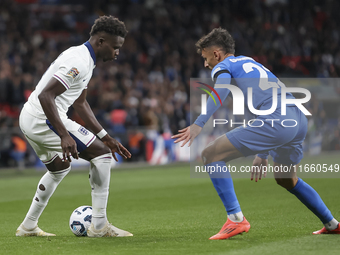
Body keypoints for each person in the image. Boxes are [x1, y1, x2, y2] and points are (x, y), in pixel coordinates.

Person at [172, 28, 340, 240]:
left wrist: (198, 124)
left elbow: (222, 90)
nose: (205, 64)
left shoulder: (224, 65)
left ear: (216, 53)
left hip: (277, 120)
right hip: (297, 119)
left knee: (210, 155)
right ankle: (332, 223)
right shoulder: (249, 62)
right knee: (287, 179)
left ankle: (235, 219)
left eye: (206, 58)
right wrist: (263, 154)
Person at [16, 15, 133, 238]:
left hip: (30, 117)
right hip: (44, 119)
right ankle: (99, 226)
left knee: (59, 168)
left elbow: (80, 102)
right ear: (101, 42)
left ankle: (28, 226)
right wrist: (64, 135)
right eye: (115, 47)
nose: (118, 52)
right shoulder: (79, 62)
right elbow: (46, 95)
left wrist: (104, 135)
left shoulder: (84, 58)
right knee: (102, 156)